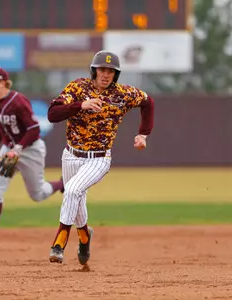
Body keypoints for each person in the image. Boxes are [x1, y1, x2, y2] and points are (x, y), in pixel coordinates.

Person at [46, 50, 155, 265]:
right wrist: (81, 105)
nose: (106, 74)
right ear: (94, 71)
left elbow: (148, 102)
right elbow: (52, 114)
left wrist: (143, 133)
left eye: (111, 71)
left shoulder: (122, 94)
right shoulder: (78, 87)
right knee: (76, 200)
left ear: (116, 74)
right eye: (102, 70)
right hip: (70, 155)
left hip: (99, 158)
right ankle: (85, 238)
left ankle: (59, 244)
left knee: (73, 190)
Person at [0, 67, 64, 251]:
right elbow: (1, 125)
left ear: (3, 82)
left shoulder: (18, 101)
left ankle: (62, 184)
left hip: (31, 149)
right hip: (9, 147)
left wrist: (18, 149)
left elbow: (34, 129)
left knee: (37, 194)